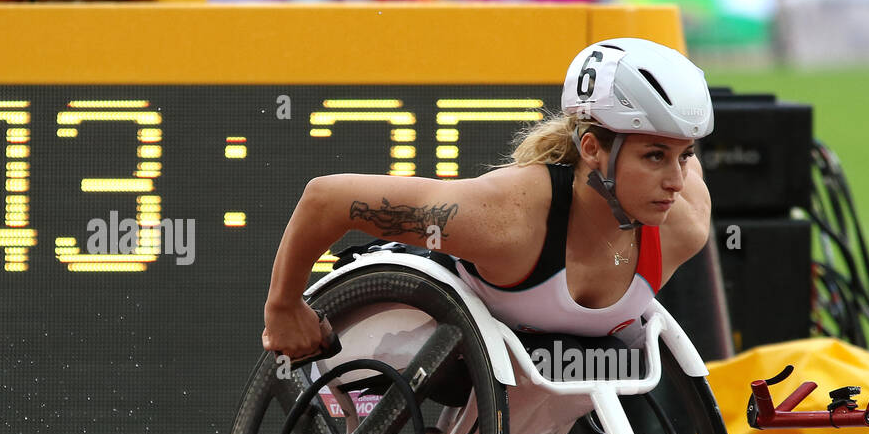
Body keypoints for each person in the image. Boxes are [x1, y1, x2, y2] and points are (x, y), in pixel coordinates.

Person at [261, 37, 715, 361]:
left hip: (541, 390)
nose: (676, 180)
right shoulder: (508, 216)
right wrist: (283, 308)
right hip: (402, 334)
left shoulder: (685, 222)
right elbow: (326, 198)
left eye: (685, 157)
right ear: (592, 149)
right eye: (655, 156)